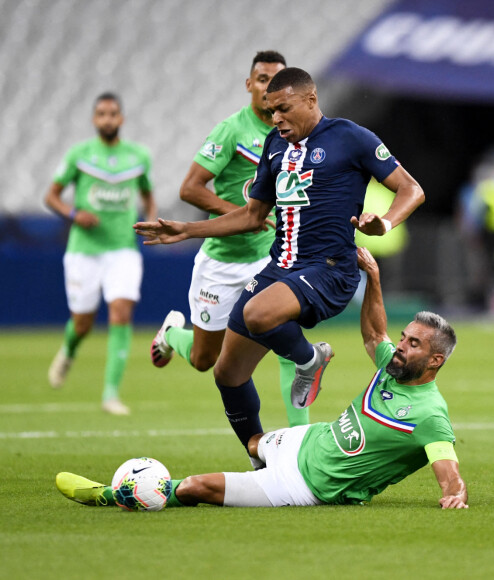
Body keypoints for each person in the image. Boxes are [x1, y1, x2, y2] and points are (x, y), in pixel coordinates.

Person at [134, 67, 425, 461]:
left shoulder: (350, 137)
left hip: (330, 268)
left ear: (311, 99)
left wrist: (385, 222)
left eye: (284, 109)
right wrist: (187, 229)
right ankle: (259, 457)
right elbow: (253, 216)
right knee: (226, 373)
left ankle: (310, 359)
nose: (276, 119)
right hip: (279, 268)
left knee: (257, 314)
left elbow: (412, 189)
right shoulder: (274, 145)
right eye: (271, 111)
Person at [55, 247, 468, 509]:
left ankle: (112, 495)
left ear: (434, 362)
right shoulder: (391, 368)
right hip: (306, 441)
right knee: (253, 443)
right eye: (404, 337)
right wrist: (373, 278)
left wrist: (455, 493)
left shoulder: (430, 415)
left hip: (304, 485)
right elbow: (374, 333)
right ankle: (251, 474)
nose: (399, 346)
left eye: (413, 344)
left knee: (197, 487)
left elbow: (448, 472)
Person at [151, 51, 308, 427]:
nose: (268, 86)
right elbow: (190, 188)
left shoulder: (290, 131)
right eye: (262, 79)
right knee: (208, 360)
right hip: (222, 262)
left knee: (289, 345)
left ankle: (302, 445)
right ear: (249, 85)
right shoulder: (232, 130)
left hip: (269, 258)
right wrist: (239, 216)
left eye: (277, 80)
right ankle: (173, 333)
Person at [45, 92, 157, 415]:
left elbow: (149, 195)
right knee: (82, 323)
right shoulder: (80, 154)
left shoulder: (138, 156)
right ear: (95, 120)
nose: (107, 119)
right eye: (101, 114)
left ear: (121, 118)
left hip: (123, 249)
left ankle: (111, 394)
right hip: (84, 250)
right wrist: (73, 214)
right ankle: (68, 350)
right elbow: (51, 196)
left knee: (121, 313)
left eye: (112, 114)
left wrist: (150, 217)